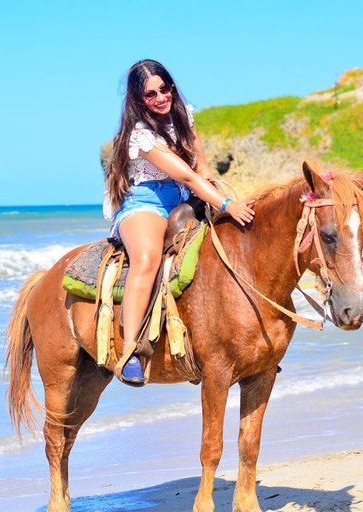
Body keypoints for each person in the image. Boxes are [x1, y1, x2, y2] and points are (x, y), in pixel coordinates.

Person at [104, 59, 255, 384]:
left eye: (165, 88)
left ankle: (235, 341)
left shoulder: (183, 114)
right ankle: (131, 349)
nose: (161, 97)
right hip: (146, 204)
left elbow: (199, 165)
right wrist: (227, 203)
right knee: (147, 259)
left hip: (184, 199)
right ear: (137, 100)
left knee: (228, 247)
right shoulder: (140, 135)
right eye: (150, 94)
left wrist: (213, 190)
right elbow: (185, 174)